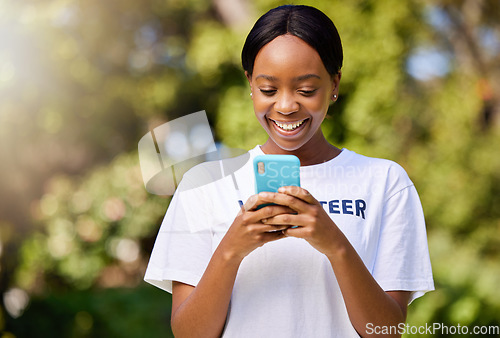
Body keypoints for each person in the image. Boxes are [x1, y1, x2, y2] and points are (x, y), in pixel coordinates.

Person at [144, 4, 434, 337]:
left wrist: (335, 244)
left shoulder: (385, 182)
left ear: (334, 83)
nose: (286, 106)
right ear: (250, 84)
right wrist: (231, 249)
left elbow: (385, 331)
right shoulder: (205, 185)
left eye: (306, 90)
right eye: (268, 89)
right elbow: (188, 333)